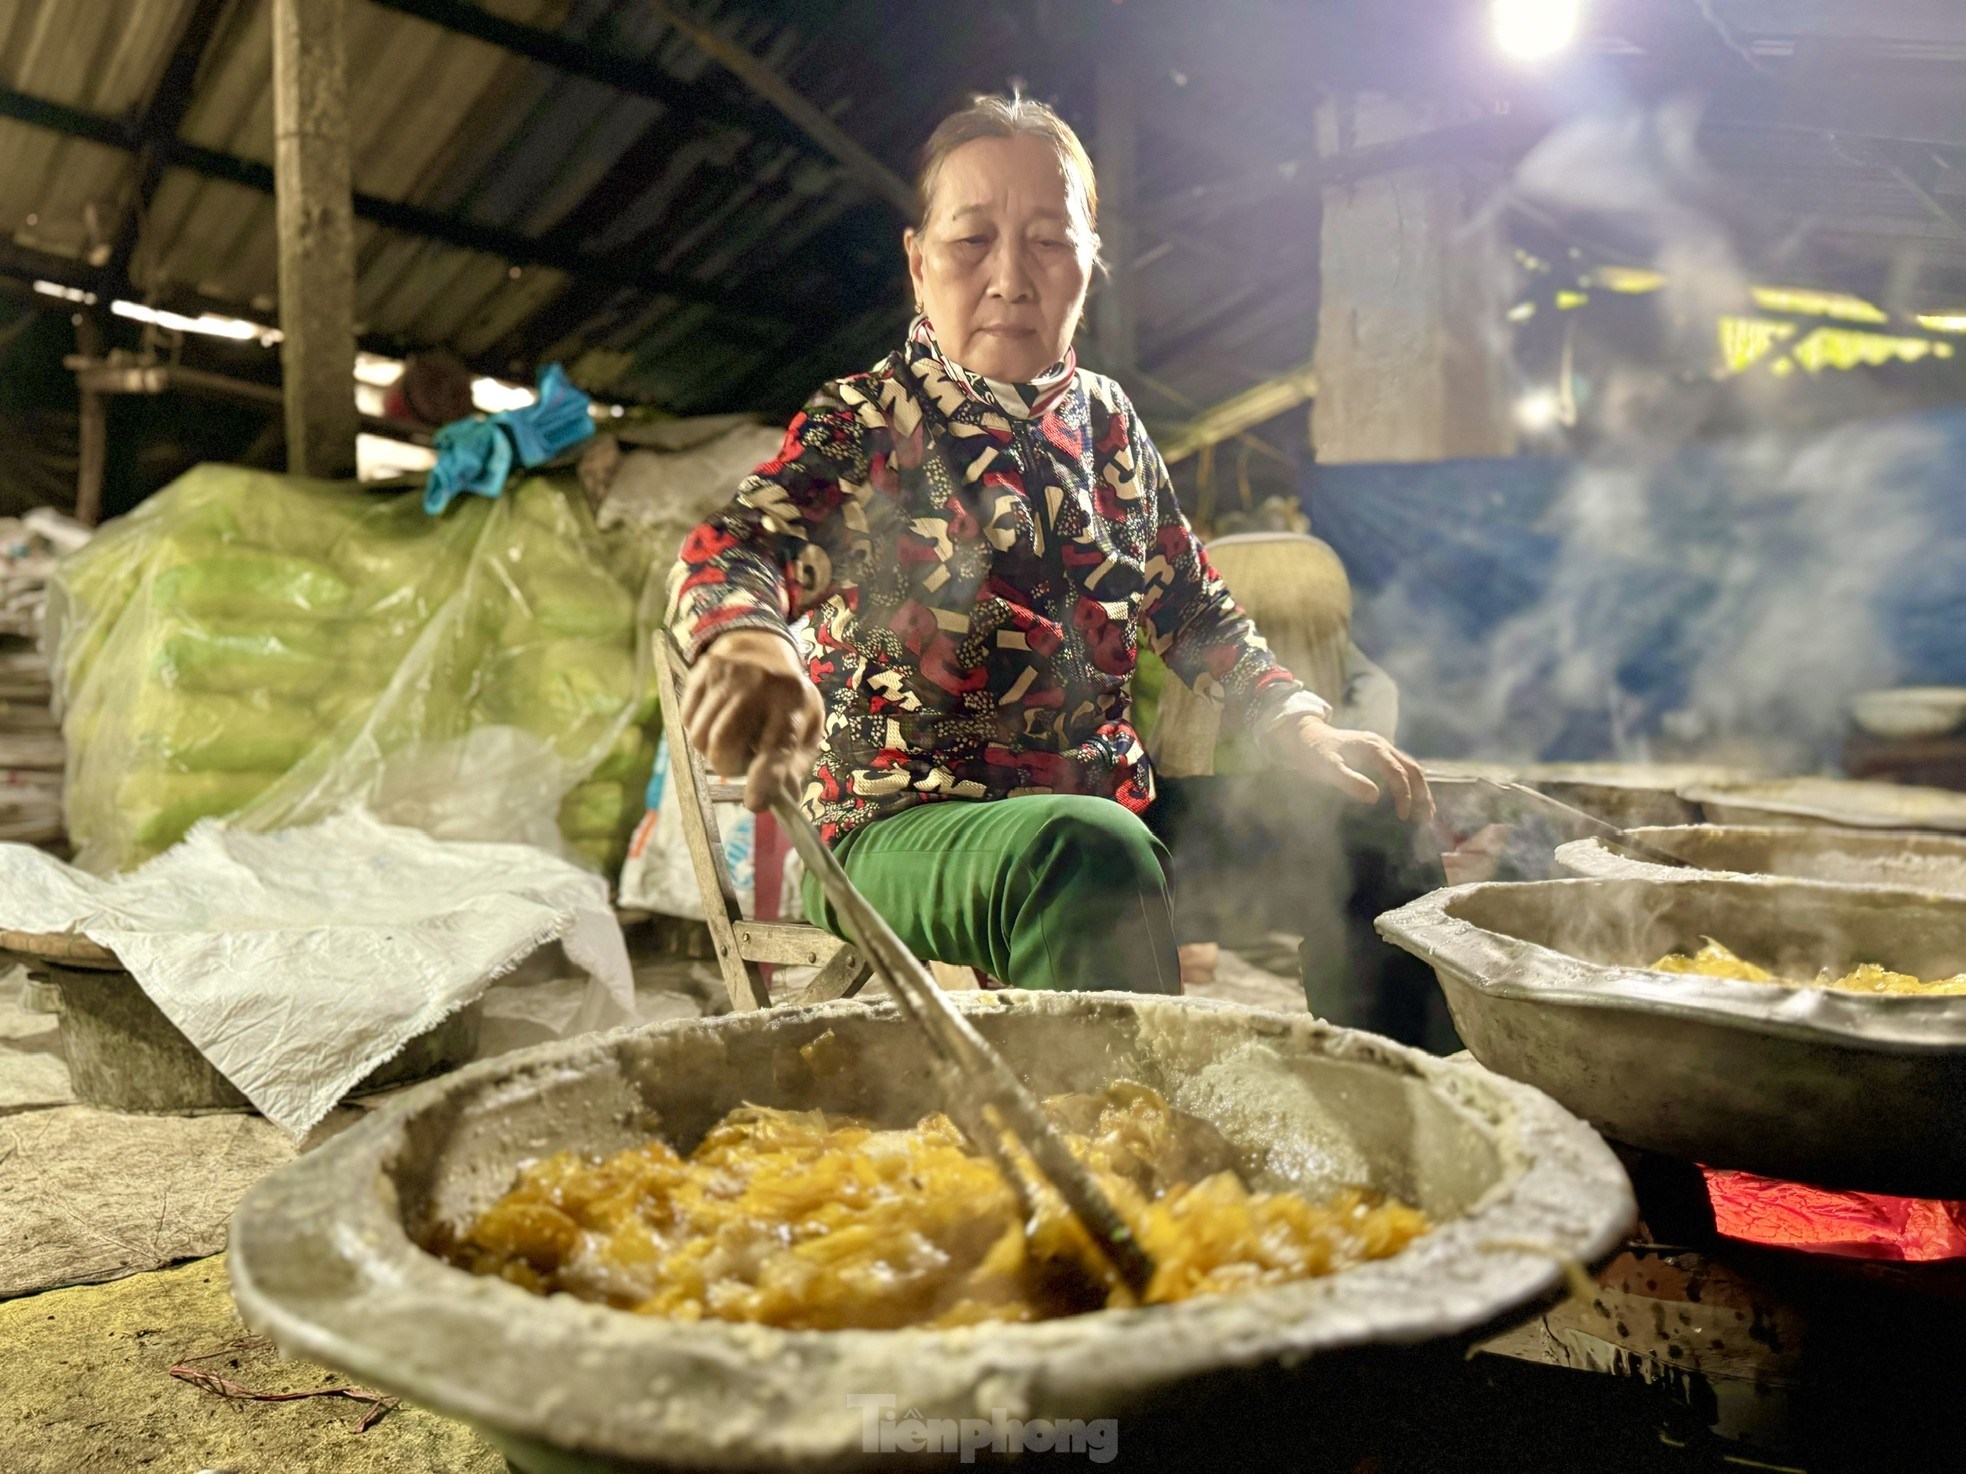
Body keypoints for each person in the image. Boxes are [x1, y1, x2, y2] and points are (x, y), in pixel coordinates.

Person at [669, 94, 1433, 995]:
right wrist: (747, 638)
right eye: (970, 242)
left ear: (1088, 264)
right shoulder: (870, 422)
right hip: (902, 832)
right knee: (1086, 855)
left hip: (1111, 818)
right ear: (919, 266)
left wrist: (1297, 723)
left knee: (1371, 808)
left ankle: (1413, 1113)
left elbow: (1190, 607)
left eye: (1048, 240)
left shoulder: (1110, 423)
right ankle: (1128, 1135)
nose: (1009, 278)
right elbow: (733, 550)